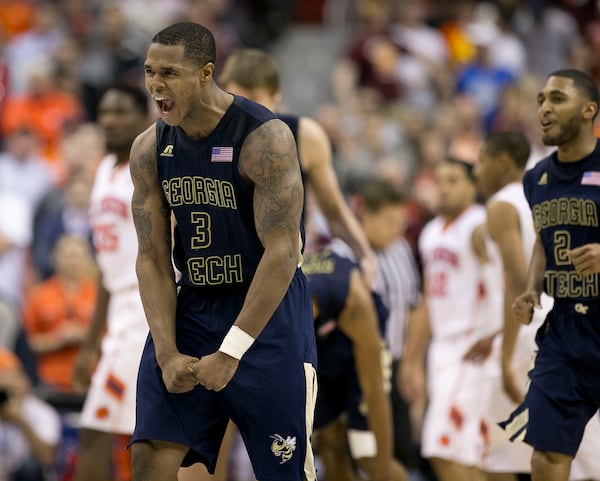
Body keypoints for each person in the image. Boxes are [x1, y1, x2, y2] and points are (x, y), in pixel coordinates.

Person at [129, 21, 318, 481]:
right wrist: (168, 352)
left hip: (265, 313)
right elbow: (152, 257)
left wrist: (232, 350)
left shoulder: (264, 138)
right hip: (193, 306)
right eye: (151, 71)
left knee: (284, 472)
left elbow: (282, 251)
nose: (156, 84)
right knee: (149, 456)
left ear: (205, 73)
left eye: (170, 73)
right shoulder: (150, 148)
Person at [476, 130, 600, 481]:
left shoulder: (501, 204)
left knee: (497, 456)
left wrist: (503, 351)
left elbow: (513, 280)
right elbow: (542, 251)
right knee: (558, 455)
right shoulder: (547, 184)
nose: (476, 171)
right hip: (560, 322)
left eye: (480, 161)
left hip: (531, 333)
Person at [217, 48, 377, 286]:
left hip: (283, 268)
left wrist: (365, 254)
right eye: (236, 99)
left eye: (254, 98)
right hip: (223, 268)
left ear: (276, 94)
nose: (244, 110)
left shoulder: (305, 135)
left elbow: (333, 208)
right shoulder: (210, 136)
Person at [401, 157, 504, 481]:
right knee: (484, 458)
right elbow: (429, 300)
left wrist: (496, 337)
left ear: (473, 187)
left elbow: (504, 287)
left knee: (442, 449)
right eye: (439, 180)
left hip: (474, 350)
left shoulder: (480, 226)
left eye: (453, 181)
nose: (443, 188)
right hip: (443, 350)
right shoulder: (430, 232)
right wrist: (411, 359)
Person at [71, 85, 150, 481]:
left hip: (144, 310)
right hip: (118, 309)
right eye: (105, 112)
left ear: (143, 118)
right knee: (135, 437)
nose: (110, 120)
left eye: (121, 112)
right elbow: (105, 267)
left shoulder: (148, 168)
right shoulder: (103, 169)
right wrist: (90, 342)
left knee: (98, 429)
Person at [302, 247, 408, 481]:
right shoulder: (286, 306)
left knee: (368, 456)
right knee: (329, 444)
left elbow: (374, 391)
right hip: (325, 344)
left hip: (359, 338)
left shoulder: (355, 302)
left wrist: (382, 467)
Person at [22, 233, 97, 394]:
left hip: (92, 379)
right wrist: (57, 339)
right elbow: (28, 342)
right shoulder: (39, 295)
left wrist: (86, 336)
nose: (72, 262)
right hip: (51, 382)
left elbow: (112, 339)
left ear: (87, 258)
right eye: (67, 256)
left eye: (77, 256)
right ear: (55, 258)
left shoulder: (98, 295)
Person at [0, 347, 61, 481]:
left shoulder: (42, 411)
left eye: (13, 379)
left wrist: (21, 421)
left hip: (31, 476)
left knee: (30, 467)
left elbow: (47, 458)